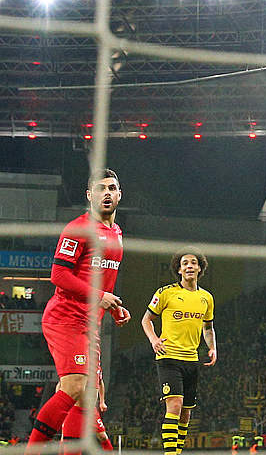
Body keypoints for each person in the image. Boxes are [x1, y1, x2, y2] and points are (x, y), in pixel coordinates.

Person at [26, 169, 129, 454]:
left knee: (85, 397)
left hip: (90, 325)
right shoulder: (78, 228)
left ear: (120, 194)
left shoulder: (117, 233)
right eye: (100, 189)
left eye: (112, 188)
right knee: (73, 386)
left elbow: (101, 279)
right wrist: (100, 296)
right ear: (89, 195)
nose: (106, 193)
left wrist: (112, 308)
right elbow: (59, 275)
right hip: (65, 319)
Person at [142, 250, 218, 455]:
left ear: (200, 268)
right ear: (179, 269)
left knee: (186, 413)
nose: (189, 266)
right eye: (185, 263)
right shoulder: (165, 293)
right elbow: (146, 320)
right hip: (168, 358)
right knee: (174, 404)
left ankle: (177, 452)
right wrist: (154, 340)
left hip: (191, 359)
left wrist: (212, 347)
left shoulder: (206, 298)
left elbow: (208, 328)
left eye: (194, 263)